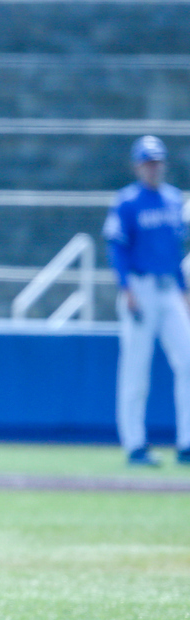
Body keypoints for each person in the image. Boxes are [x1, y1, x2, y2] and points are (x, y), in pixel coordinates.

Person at [102, 135, 190, 467]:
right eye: (147, 162)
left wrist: (185, 296)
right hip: (140, 288)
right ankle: (135, 445)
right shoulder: (127, 202)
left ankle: (186, 444)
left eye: (157, 162)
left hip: (169, 288)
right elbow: (117, 248)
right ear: (138, 166)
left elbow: (175, 252)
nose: (153, 168)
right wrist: (126, 290)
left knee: (188, 360)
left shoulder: (172, 200)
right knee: (136, 370)